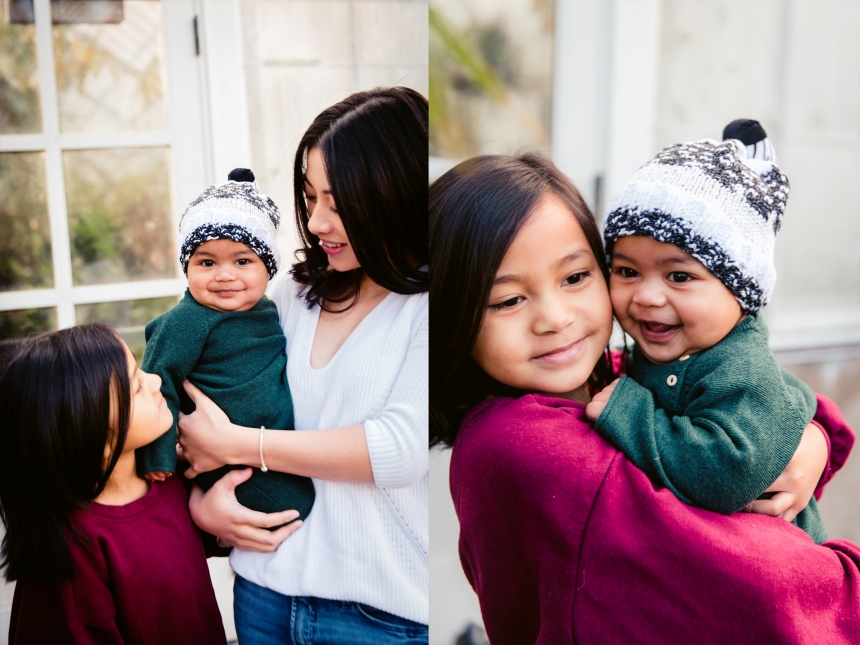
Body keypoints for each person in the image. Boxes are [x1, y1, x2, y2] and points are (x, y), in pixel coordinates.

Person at [429, 153, 859, 644]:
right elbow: (766, 589)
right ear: (455, 316)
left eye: (575, 277)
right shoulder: (524, 447)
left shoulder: (610, 377)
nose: (554, 318)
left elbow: (775, 399)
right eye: (507, 300)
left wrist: (809, 440)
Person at [176, 87, 429, 644]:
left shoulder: (431, 307)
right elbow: (187, 404)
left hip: (382, 619)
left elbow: (397, 448)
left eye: (338, 202)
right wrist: (202, 508)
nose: (315, 222)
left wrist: (238, 444)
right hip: (263, 595)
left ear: (395, 194)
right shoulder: (289, 293)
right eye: (310, 197)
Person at [584, 120, 826, 541]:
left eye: (679, 276)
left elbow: (728, 473)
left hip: (771, 577)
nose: (647, 296)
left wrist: (630, 412)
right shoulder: (683, 345)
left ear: (741, 292)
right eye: (626, 271)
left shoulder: (742, 368)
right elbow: (798, 398)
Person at [0, 324, 227, 644]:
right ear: (88, 428)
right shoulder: (71, 557)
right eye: (135, 385)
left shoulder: (168, 480)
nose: (156, 379)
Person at [137, 167, 314, 522]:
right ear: (187, 269)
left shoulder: (269, 308)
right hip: (224, 457)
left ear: (268, 268)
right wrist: (157, 455)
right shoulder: (188, 320)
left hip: (269, 445)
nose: (224, 275)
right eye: (206, 262)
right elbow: (157, 382)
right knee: (291, 506)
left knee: (301, 501)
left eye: (243, 261)